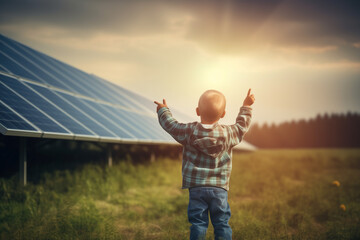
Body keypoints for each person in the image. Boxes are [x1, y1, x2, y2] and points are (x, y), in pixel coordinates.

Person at [154, 89, 255, 240]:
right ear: (223, 114)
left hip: (196, 187)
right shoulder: (228, 134)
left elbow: (171, 126)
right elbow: (242, 126)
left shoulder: (189, 131)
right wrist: (246, 106)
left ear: (197, 111)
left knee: (199, 223)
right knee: (221, 223)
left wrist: (163, 111)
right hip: (219, 188)